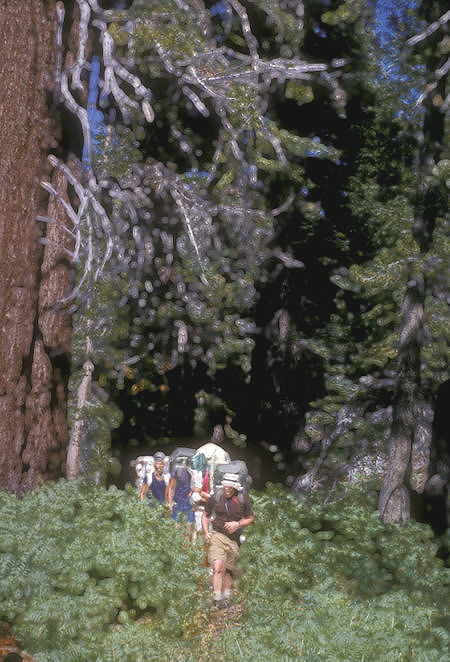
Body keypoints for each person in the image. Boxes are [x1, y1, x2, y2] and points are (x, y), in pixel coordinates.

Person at [202, 473, 254, 608]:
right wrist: (207, 532)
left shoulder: (242, 500)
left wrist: (237, 524)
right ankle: (217, 597)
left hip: (234, 540)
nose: (227, 489)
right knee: (218, 567)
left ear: (235, 488)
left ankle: (226, 598)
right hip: (217, 535)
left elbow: (250, 518)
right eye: (226, 486)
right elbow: (206, 515)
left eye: (230, 487)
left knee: (228, 571)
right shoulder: (216, 497)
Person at [167, 457, 194, 526]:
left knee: (189, 528)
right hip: (177, 504)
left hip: (189, 504)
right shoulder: (178, 471)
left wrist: (191, 493)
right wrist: (170, 504)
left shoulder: (192, 472)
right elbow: (171, 488)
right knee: (177, 528)